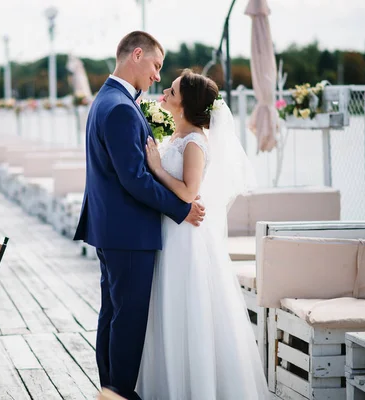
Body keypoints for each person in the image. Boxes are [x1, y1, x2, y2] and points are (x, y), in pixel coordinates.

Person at [74, 32, 206, 400]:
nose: (157, 76)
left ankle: (109, 390)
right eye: (155, 65)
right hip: (128, 231)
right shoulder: (118, 108)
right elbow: (133, 179)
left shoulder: (107, 99)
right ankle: (118, 391)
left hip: (112, 228)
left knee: (114, 315)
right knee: (128, 319)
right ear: (136, 55)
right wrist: (181, 209)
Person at [136, 69, 269, 399]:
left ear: (185, 105)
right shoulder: (178, 136)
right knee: (168, 303)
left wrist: (154, 168)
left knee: (187, 304)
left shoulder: (194, 141)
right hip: (172, 231)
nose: (165, 92)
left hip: (185, 237)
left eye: (173, 91)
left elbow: (187, 192)